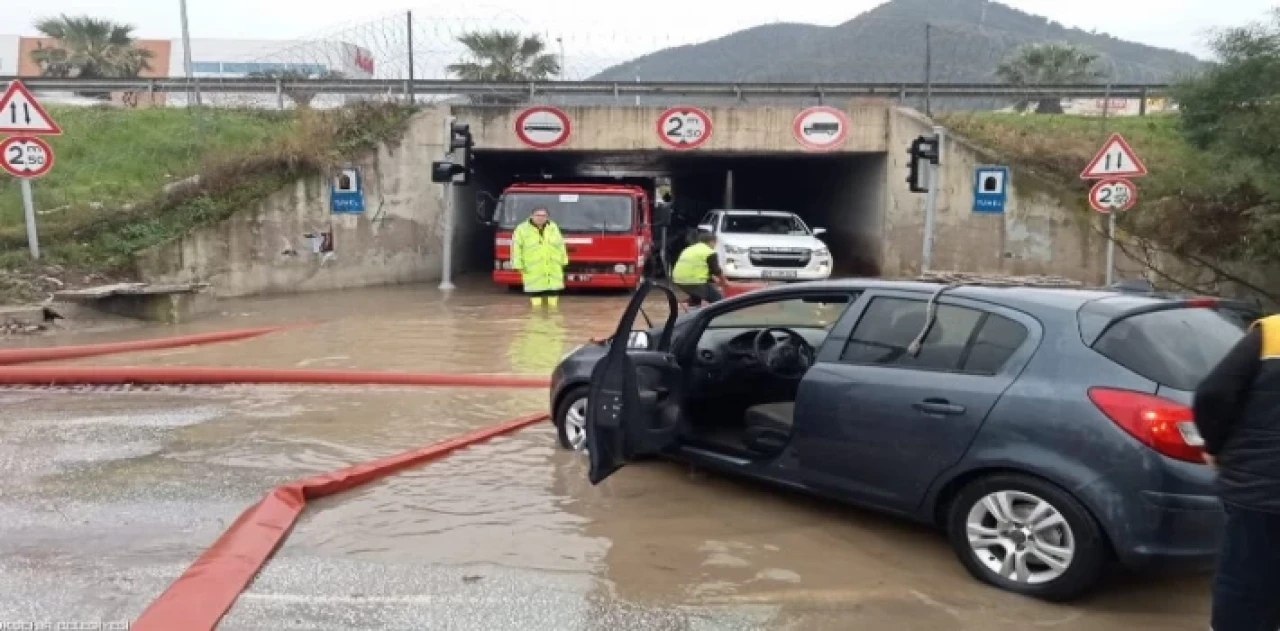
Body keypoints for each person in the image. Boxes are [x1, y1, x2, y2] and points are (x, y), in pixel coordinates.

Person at [1192, 314, 1280, 631]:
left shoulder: (1272, 333)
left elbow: (1213, 394)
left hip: (1261, 488)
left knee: (1245, 581)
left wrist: (1215, 446)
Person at [511, 206, 569, 309]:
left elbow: (560, 245)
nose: (540, 218)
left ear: (547, 217)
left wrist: (564, 260)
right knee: (535, 296)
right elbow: (516, 248)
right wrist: (518, 264)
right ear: (532, 216)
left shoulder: (553, 227)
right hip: (533, 269)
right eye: (538, 215)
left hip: (552, 267)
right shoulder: (521, 229)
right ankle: (536, 320)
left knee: (553, 294)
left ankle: (552, 321)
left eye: (543, 216)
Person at [671, 230, 729, 307]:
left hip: (678, 280)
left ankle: (684, 306)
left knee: (697, 298)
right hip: (694, 281)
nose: (715, 245)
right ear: (712, 241)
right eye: (715, 243)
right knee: (717, 299)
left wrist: (715, 279)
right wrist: (724, 282)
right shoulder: (709, 252)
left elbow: (699, 267)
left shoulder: (689, 249)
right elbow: (716, 270)